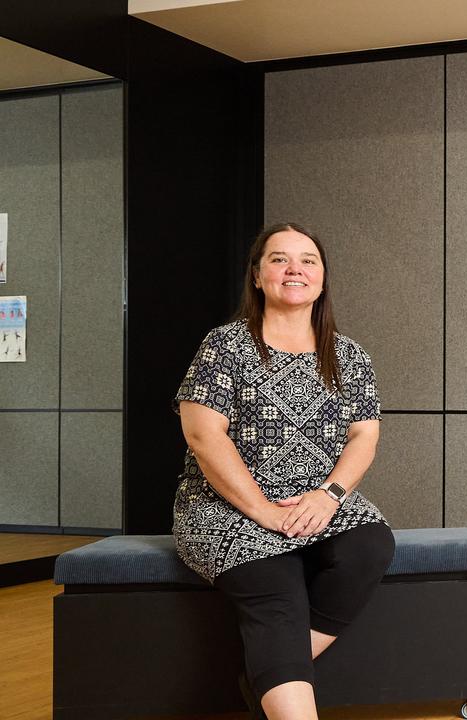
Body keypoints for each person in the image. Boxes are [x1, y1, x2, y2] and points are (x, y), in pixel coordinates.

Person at [173, 223, 393, 720]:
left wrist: (329, 494)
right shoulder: (224, 346)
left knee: (371, 543)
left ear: (322, 279)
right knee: (278, 590)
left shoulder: (348, 354)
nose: (294, 268)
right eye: (278, 259)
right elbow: (203, 434)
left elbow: (365, 436)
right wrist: (261, 511)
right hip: (226, 508)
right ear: (257, 276)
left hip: (317, 503)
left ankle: (268, 671)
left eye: (307, 260)